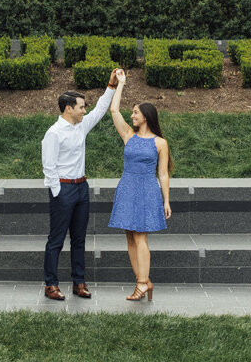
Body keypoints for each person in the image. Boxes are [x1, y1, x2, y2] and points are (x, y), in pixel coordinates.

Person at [41, 70, 118, 301]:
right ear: (69, 109)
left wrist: (111, 86)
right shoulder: (54, 133)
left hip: (82, 188)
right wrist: (58, 192)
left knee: (79, 239)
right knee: (56, 239)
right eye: (81, 107)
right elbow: (48, 166)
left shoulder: (81, 126)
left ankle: (79, 282)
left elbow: (100, 110)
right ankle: (51, 285)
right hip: (63, 190)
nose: (85, 111)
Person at [107, 68, 172, 301]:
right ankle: (141, 281)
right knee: (129, 236)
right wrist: (120, 84)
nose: (132, 115)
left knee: (140, 236)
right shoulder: (128, 135)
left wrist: (166, 201)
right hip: (127, 187)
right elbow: (114, 110)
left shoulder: (160, 143)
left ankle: (143, 283)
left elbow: (163, 174)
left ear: (146, 116)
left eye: (135, 112)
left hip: (146, 189)